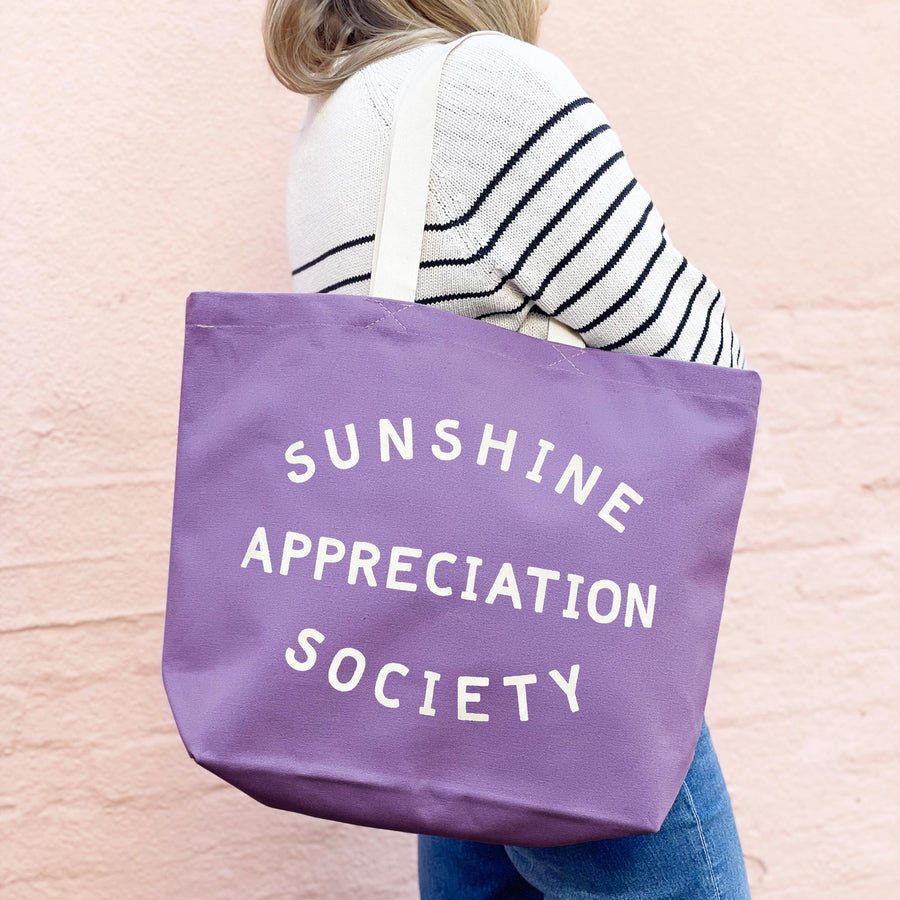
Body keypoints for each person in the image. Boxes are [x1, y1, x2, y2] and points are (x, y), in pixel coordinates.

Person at [263, 2, 753, 897]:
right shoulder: (485, 86)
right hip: (561, 661)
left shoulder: (335, 114)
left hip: (441, 656)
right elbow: (697, 357)